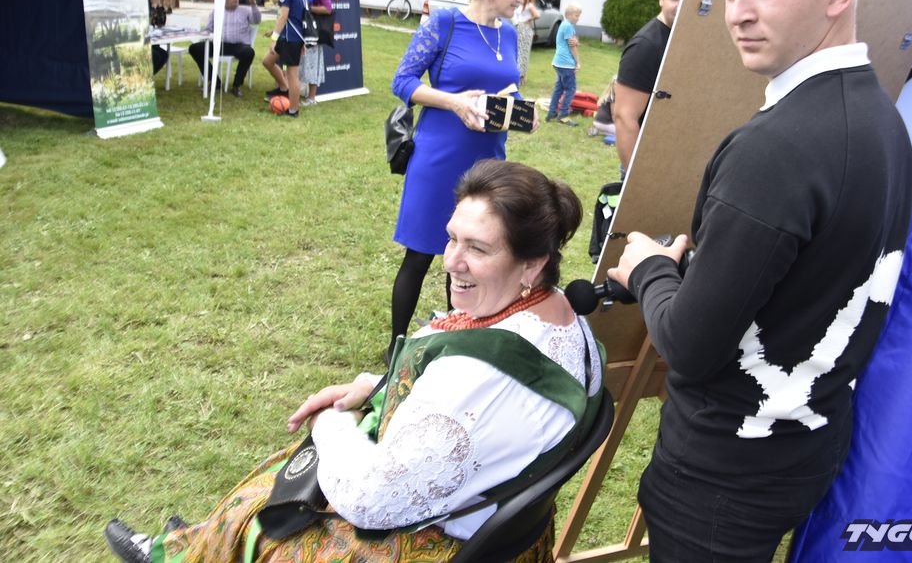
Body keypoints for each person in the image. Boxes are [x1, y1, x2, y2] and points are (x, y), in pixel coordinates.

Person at [606, 0, 912, 560]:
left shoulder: (775, 149)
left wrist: (649, 267)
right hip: (798, 447)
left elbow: (690, 346)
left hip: (721, 476)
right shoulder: (883, 119)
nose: (739, 12)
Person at [104, 159, 603, 563]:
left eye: (478, 248)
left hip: (440, 543)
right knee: (288, 480)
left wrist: (329, 422)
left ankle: (197, 549)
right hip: (504, 535)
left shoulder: (478, 377)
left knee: (274, 504)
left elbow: (370, 499)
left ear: (532, 263)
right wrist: (374, 385)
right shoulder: (562, 318)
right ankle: (196, 543)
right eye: (453, 238)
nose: (451, 260)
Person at [388, 0, 529, 361]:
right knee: (420, 254)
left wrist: (523, 111)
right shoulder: (444, 24)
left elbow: (510, 88)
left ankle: (457, 337)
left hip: (487, 162)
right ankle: (397, 343)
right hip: (438, 158)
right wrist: (453, 101)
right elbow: (402, 81)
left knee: (471, 257)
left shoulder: (510, 34)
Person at [613, 0, 689, 174]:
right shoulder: (645, 46)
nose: (681, 5)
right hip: (648, 167)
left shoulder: (684, 37)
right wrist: (637, 179)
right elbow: (624, 117)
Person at [187, 0, 261, 98]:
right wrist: (204, 34)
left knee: (249, 52)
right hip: (220, 44)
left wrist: (253, 4)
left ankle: (236, 85)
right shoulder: (217, 12)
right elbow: (208, 29)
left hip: (239, 45)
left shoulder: (245, 11)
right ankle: (214, 81)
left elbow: (257, 20)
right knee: (194, 48)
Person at [262, 0, 306, 118]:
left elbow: (283, 16)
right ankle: (282, 87)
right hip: (291, 37)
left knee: (293, 75)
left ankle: (293, 110)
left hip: (290, 38)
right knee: (267, 61)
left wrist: (274, 38)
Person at [297, 0, 331, 106]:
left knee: (312, 61)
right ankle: (298, 90)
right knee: (302, 61)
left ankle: (311, 97)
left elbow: (328, 8)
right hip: (302, 28)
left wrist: (310, 9)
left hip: (314, 30)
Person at [546, 2, 582, 125]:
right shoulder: (569, 27)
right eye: (576, 15)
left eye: (579, 15)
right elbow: (572, 46)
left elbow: (573, 42)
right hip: (566, 63)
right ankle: (563, 115)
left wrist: (576, 42)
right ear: (569, 15)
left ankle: (551, 112)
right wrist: (578, 62)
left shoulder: (564, 25)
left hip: (558, 62)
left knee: (559, 88)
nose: (578, 18)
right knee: (571, 89)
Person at [512, 0, 541, 85]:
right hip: (521, 28)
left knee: (522, 52)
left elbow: (537, 15)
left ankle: (521, 75)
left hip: (523, 28)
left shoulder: (528, 5)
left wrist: (528, 19)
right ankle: (520, 74)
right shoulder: (524, 4)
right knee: (521, 51)